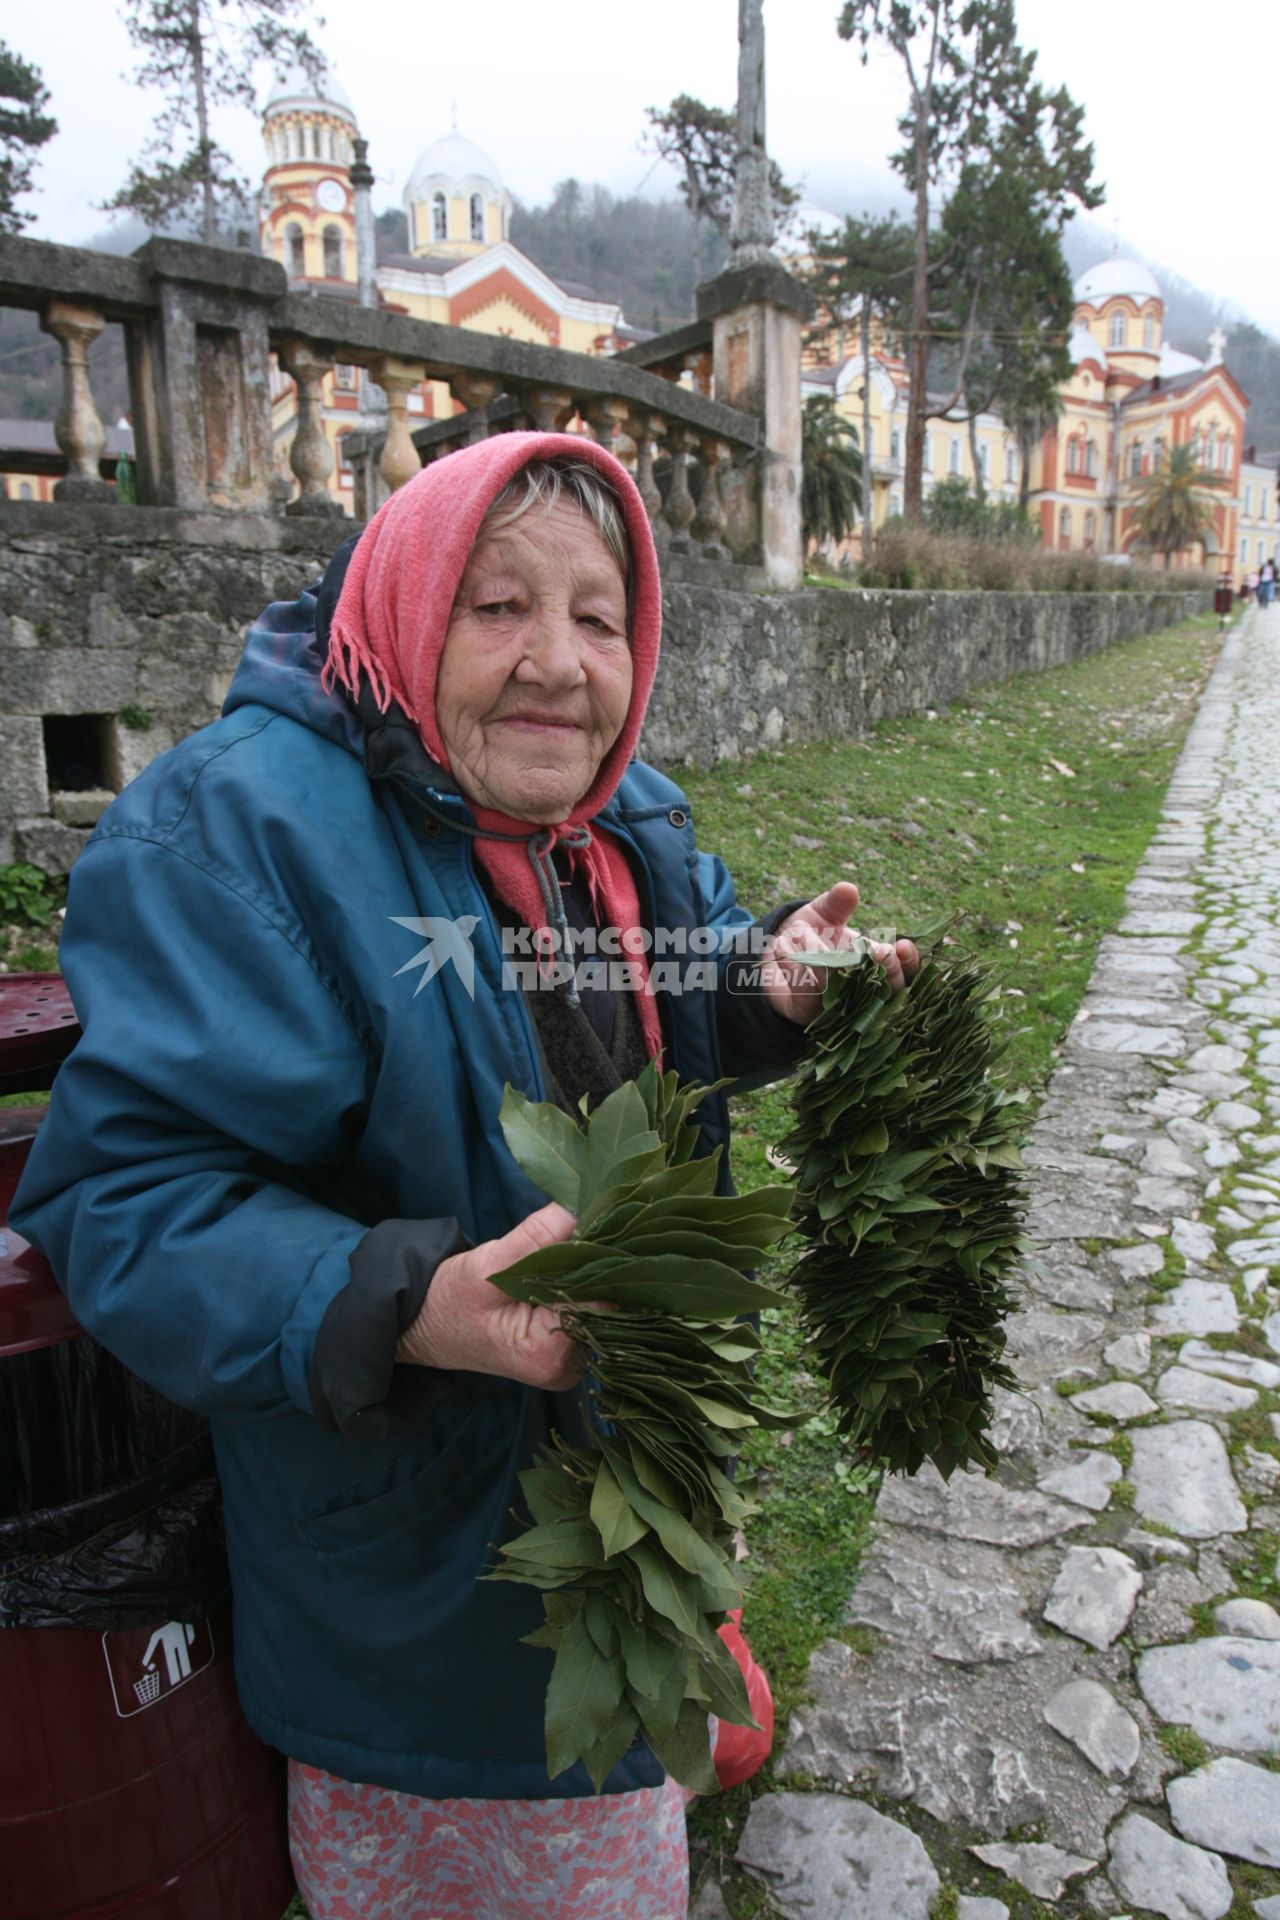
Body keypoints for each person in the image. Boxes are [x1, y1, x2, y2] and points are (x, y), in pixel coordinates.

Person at [13, 433, 917, 1920]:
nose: (557, 661)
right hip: (418, 1555)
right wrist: (418, 1303)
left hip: (635, 1474)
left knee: (625, 1796)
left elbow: (670, 1004)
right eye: (497, 608)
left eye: (599, 617)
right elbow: (134, 1201)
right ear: (406, 601)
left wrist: (766, 984)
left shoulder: (626, 815)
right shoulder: (241, 835)